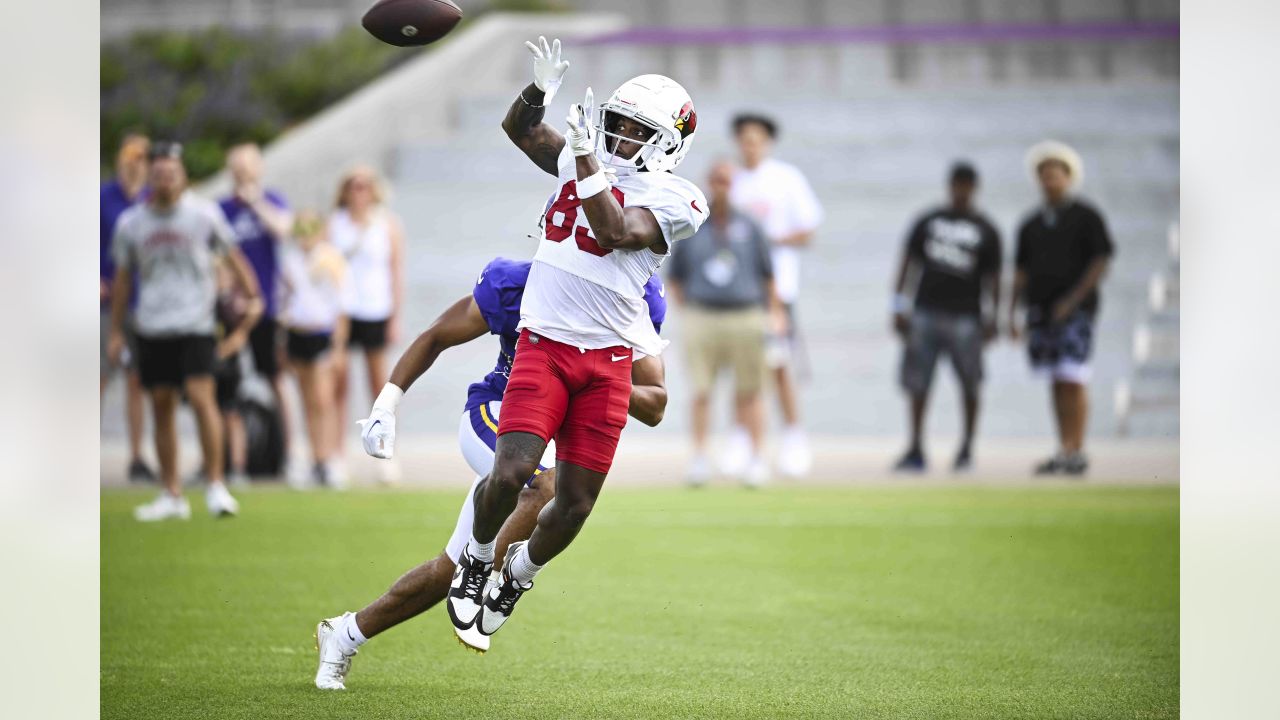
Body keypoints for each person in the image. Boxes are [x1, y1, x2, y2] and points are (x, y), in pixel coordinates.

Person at [362, 36, 707, 652]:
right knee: (516, 470)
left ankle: (517, 575)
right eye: (617, 124)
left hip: (605, 358)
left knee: (573, 506)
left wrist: (584, 159)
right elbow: (521, 128)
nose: (620, 136)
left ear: (668, 143)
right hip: (545, 343)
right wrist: (539, 93)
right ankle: (474, 557)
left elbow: (614, 230)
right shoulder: (583, 161)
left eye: (635, 129)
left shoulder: (680, 198)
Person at [314, 257, 669, 687]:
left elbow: (655, 403)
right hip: (498, 411)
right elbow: (437, 335)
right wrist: (385, 404)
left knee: (447, 573)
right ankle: (489, 576)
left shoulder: (635, 295)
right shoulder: (524, 281)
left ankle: (344, 634)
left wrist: (604, 378)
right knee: (544, 484)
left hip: (551, 437)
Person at [107, 141, 262, 521]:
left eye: (171, 173)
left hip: (196, 322)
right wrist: (115, 330)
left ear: (183, 177)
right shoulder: (132, 223)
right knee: (161, 406)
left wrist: (252, 294)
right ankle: (171, 493)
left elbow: (232, 255)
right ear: (150, 177)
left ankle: (214, 486)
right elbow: (124, 280)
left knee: (202, 397)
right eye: (158, 174)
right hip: (153, 325)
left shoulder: (203, 215)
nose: (165, 180)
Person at [667, 160, 786, 487]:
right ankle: (700, 458)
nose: (722, 187)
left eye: (727, 181)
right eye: (717, 180)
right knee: (701, 390)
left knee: (751, 390)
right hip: (701, 314)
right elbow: (675, 277)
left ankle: (757, 458)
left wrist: (775, 315)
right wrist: (686, 311)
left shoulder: (750, 225)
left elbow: (768, 275)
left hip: (745, 314)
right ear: (709, 182)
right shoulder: (692, 226)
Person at [1007, 141, 1115, 476]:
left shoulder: (1086, 216)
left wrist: (1074, 299)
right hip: (1040, 311)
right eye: (1044, 174)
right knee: (1054, 378)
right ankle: (1063, 447)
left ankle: (1078, 448)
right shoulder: (1031, 223)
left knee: (1073, 376)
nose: (1050, 180)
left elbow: (1101, 259)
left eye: (1056, 174)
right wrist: (1012, 312)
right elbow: (1021, 271)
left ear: (1068, 177)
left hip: (1075, 311)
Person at [891, 162, 1002, 472]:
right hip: (925, 311)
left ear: (974, 188)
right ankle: (915, 447)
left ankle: (966, 447)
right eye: (956, 184)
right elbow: (907, 264)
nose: (960, 190)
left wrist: (994, 317)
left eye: (966, 185)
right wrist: (898, 305)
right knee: (917, 383)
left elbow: (994, 277)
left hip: (967, 316)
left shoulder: (986, 228)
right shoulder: (929, 221)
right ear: (949, 185)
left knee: (970, 383)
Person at [729, 113, 823, 478]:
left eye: (756, 139)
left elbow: (808, 229)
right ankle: (741, 436)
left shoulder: (785, 179)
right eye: (744, 139)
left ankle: (794, 437)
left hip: (777, 290)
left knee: (779, 365)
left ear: (766, 142)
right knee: (742, 368)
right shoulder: (734, 183)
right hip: (738, 293)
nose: (749, 145)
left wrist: (767, 242)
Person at [218, 143, 293, 474]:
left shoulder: (272, 200)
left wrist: (255, 201)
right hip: (230, 311)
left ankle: (289, 456)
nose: (243, 173)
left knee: (275, 379)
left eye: (249, 167)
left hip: (266, 307)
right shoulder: (220, 209)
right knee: (223, 385)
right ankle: (226, 460)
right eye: (238, 167)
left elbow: (283, 229)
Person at [327, 166, 405, 484]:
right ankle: (337, 455)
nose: (359, 192)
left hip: (375, 309)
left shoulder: (387, 224)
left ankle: (384, 453)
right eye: (353, 186)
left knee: (379, 387)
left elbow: (395, 271)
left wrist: (395, 316)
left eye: (364, 186)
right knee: (339, 384)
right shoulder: (335, 225)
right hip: (344, 311)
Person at [279, 210, 350, 487]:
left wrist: (338, 346)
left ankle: (329, 458)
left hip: (322, 333)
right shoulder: (291, 261)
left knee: (323, 399)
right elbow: (286, 299)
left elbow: (341, 304)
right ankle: (315, 458)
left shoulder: (330, 259)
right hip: (298, 332)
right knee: (308, 400)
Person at [101, 132, 155, 483]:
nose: (136, 162)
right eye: (130, 155)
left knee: (138, 381)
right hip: (108, 302)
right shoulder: (104, 197)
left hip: (145, 301)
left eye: (142, 157)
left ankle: (137, 455)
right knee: (100, 375)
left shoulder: (153, 198)